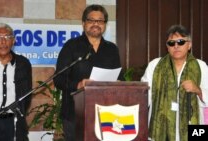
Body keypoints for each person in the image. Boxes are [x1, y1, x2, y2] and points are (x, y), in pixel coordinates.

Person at [53, 4, 124, 141]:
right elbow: (59, 79)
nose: (96, 24)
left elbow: (119, 76)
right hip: (75, 114)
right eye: (91, 20)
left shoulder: (112, 49)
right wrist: (78, 84)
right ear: (83, 23)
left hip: (106, 114)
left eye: (100, 21)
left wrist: (119, 83)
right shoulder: (71, 46)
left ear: (105, 25)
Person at [141, 24, 208, 141]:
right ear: (167, 47)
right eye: (171, 43)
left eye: (181, 42)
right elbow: (144, 96)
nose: (176, 46)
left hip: (193, 126)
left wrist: (197, 89)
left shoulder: (200, 66)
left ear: (189, 45)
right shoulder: (155, 65)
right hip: (160, 127)